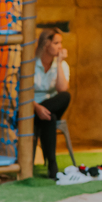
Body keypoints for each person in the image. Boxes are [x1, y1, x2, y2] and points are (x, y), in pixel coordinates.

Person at [32, 27, 70, 179]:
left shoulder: (61, 65)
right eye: (56, 43)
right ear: (46, 44)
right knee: (50, 118)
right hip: (32, 106)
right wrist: (37, 108)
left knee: (66, 96)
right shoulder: (32, 64)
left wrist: (59, 63)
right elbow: (23, 93)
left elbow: (62, 89)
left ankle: (41, 115)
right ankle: (52, 165)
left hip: (52, 105)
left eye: (61, 43)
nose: (60, 47)